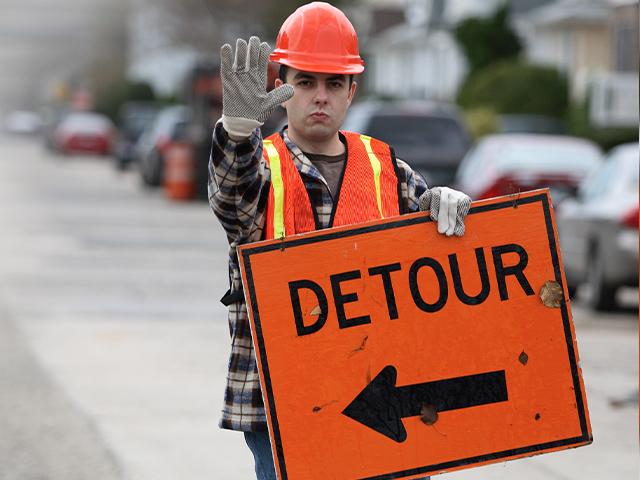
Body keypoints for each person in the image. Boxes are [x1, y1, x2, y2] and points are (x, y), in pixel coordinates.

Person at [208, 2, 471, 479]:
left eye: (333, 83)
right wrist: (236, 131)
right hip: (281, 404)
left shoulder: (387, 168)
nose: (320, 97)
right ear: (280, 87)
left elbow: (439, 256)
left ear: (352, 91)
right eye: (305, 82)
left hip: (382, 392)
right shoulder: (258, 167)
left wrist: (444, 207)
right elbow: (231, 198)